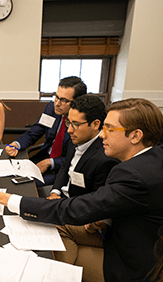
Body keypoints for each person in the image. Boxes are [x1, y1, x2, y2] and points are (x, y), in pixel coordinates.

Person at [0, 98, 163, 282]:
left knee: (53, 255)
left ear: (135, 136)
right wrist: (105, 219)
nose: (103, 135)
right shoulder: (153, 157)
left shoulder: (133, 174)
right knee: (55, 234)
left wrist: (7, 199)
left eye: (110, 129)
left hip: (134, 266)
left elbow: (78, 209)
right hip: (125, 239)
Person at [47, 95, 120, 282]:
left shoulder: (105, 156)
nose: (70, 130)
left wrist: (63, 207)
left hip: (87, 217)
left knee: (49, 223)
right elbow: (65, 168)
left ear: (96, 124)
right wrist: (55, 192)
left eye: (76, 124)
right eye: (68, 123)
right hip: (67, 200)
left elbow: (97, 203)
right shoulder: (77, 138)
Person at [5, 76, 87, 187]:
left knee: (26, 185)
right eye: (56, 97)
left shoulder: (82, 124)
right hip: (42, 158)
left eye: (63, 100)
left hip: (61, 171)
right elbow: (35, 131)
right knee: (10, 176)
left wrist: (50, 162)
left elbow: (76, 158)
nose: (57, 103)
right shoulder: (51, 109)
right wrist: (17, 144)